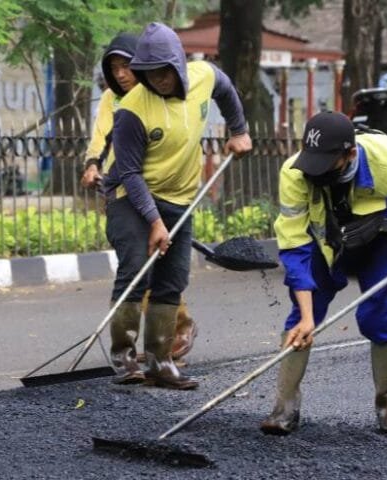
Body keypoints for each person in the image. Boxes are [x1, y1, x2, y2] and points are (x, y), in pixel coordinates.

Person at [260, 111, 387, 434]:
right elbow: (294, 246)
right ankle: (284, 410)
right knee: (302, 317)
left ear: (350, 154)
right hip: (328, 241)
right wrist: (308, 317)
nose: (315, 173)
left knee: (379, 317)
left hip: (379, 239)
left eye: (325, 165)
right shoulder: (295, 172)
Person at [101, 22, 252, 389]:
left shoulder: (203, 75)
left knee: (172, 279)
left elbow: (226, 88)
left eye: (164, 71)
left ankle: (160, 361)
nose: (158, 80)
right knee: (136, 268)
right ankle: (124, 357)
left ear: (179, 65)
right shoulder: (132, 109)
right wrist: (154, 221)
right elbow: (130, 173)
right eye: (149, 73)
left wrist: (239, 130)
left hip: (180, 198)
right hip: (132, 197)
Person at [80, 32, 199, 378]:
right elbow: (101, 135)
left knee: (165, 270)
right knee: (136, 265)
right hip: (124, 192)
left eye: (127, 66)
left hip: (162, 192)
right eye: (114, 68)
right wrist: (92, 164)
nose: (120, 74)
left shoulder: (163, 97)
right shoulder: (113, 99)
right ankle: (127, 354)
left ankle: (171, 338)